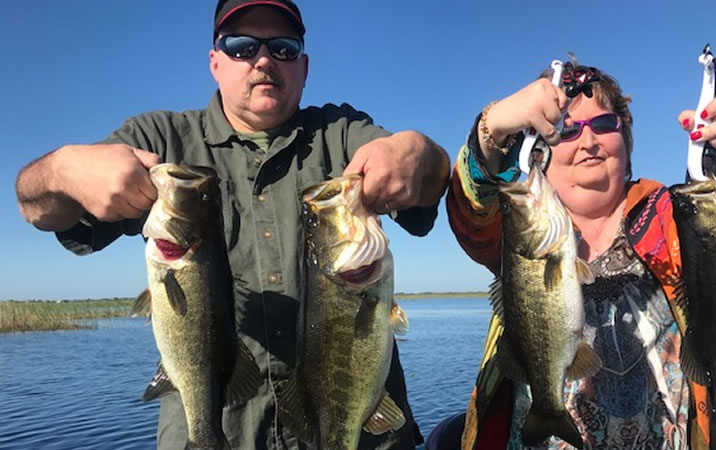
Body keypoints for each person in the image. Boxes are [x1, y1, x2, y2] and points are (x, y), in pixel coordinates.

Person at [15, 1, 450, 448]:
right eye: (241, 46)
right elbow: (33, 206)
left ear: (303, 67)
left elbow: (437, 182)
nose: (263, 60)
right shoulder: (160, 139)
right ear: (215, 62)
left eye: (283, 48)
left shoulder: (342, 132)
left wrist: (418, 152)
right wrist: (63, 170)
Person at [442, 61, 716, 449]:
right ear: (540, 149)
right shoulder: (515, 226)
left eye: (603, 124)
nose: (589, 141)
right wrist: (492, 128)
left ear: (626, 139)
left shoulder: (669, 214)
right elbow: (470, 214)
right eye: (568, 129)